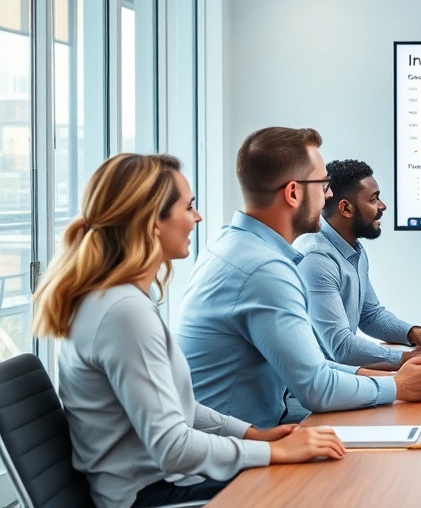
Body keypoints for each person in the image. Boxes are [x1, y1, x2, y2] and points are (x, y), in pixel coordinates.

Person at [31, 154, 345, 508]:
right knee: (315, 489)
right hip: (150, 496)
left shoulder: (116, 299)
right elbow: (173, 447)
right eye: (188, 206)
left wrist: (251, 434)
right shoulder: (124, 313)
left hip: (161, 483)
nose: (197, 217)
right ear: (153, 222)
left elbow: (176, 406)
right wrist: (273, 452)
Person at [177, 127, 421, 429]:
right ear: (293, 193)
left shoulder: (231, 242)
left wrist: (392, 377)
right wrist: (397, 386)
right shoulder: (265, 269)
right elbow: (316, 388)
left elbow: (312, 368)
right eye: (323, 184)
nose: (328, 195)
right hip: (234, 448)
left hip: (247, 431)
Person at [295, 159, 421, 370]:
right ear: (346, 208)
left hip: (340, 376)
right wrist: (405, 358)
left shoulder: (353, 249)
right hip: (316, 385)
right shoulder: (316, 257)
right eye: (374, 199)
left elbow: (369, 315)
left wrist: (412, 333)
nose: (382, 206)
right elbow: (341, 347)